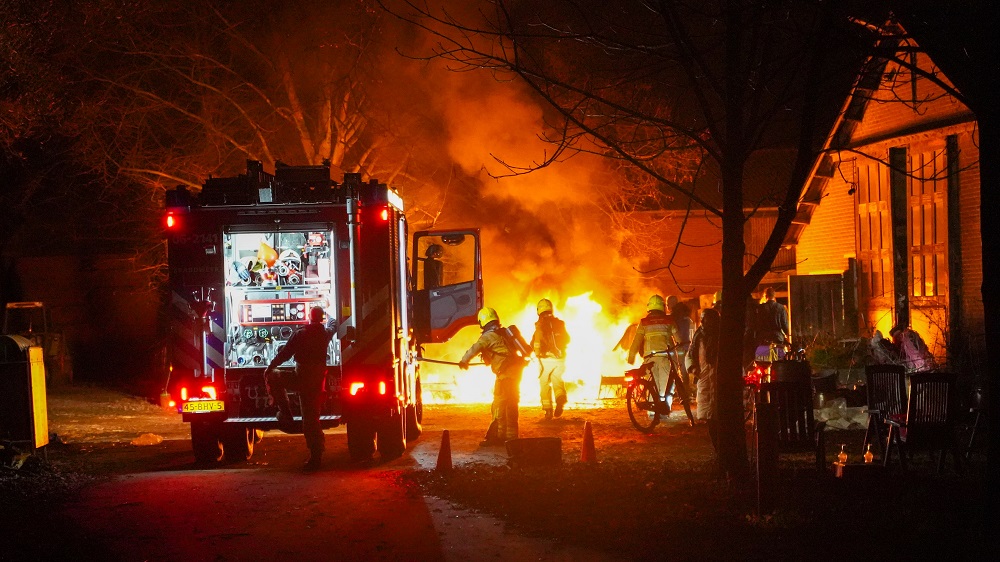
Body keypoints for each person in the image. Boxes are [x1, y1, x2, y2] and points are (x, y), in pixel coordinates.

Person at [264, 306, 336, 471]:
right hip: (317, 381)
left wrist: (270, 367)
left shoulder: (301, 333)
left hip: (301, 378)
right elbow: (333, 324)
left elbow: (285, 354)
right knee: (311, 419)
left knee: (274, 375)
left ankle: (285, 413)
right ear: (322, 317)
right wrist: (330, 311)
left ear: (309, 317)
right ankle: (316, 456)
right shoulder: (325, 333)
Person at [459, 307, 529, 446]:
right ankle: (511, 438)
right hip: (515, 371)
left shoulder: (487, 337)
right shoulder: (503, 333)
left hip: (505, 374)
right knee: (511, 403)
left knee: (498, 405)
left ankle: (497, 437)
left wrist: (464, 361)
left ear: (482, 322)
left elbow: (475, 348)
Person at [627, 295, 681, 404]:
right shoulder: (669, 321)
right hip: (665, 358)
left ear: (649, 307)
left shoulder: (644, 323)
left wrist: (631, 356)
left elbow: (636, 342)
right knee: (666, 385)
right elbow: (678, 340)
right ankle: (664, 408)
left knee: (651, 384)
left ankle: (652, 410)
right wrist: (681, 353)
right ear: (663, 307)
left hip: (649, 359)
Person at [687, 308, 720, 456]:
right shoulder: (699, 336)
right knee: (710, 419)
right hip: (705, 382)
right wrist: (693, 368)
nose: (703, 322)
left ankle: (722, 453)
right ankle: (718, 451)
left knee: (720, 417)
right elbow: (690, 355)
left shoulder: (722, 337)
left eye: (706, 319)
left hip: (719, 383)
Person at [531, 298, 570, 420]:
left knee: (544, 383)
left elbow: (535, 342)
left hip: (545, 360)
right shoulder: (560, 323)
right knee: (557, 380)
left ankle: (548, 410)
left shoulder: (540, 325)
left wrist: (536, 352)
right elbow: (568, 339)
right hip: (560, 359)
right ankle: (560, 398)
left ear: (539, 311)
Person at [667, 295, 693, 391]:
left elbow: (674, 333)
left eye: (667, 304)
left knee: (674, 370)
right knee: (683, 370)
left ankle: (681, 392)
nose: (667, 306)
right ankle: (685, 391)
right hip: (685, 346)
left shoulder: (673, 317)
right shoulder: (686, 317)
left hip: (677, 347)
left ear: (671, 304)